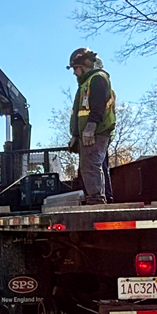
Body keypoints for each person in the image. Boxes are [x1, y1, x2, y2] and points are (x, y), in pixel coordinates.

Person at [67, 47, 116, 205]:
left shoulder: (97, 79)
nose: (74, 73)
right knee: (94, 165)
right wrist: (75, 135)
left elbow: (98, 105)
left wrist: (91, 127)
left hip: (97, 131)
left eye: (76, 68)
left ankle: (96, 199)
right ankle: (102, 197)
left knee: (91, 165)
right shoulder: (85, 84)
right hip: (90, 132)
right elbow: (79, 112)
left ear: (85, 64)